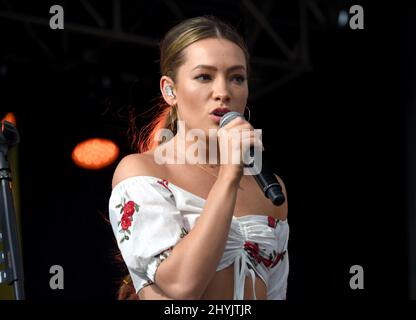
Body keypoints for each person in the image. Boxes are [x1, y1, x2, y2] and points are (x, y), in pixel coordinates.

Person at [108, 15, 289, 300]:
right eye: (204, 76)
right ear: (170, 90)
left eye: (237, 78)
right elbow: (182, 287)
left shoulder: (269, 186)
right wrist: (230, 174)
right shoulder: (142, 172)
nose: (223, 92)